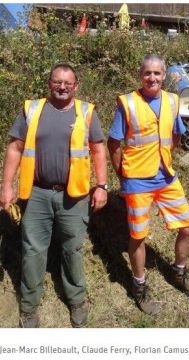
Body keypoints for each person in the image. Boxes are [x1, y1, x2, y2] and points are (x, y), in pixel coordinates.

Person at [0, 64, 108, 328]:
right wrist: (6, 185)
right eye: (57, 82)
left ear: (76, 85)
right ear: (49, 83)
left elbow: (98, 150)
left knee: (73, 248)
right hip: (36, 193)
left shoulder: (86, 112)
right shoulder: (33, 110)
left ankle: (77, 300)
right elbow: (15, 148)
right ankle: (28, 306)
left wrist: (102, 186)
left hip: (74, 196)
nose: (62, 87)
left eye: (68, 83)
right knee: (33, 250)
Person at [107, 54, 189, 315]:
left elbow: (175, 134)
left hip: (166, 176)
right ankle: (139, 285)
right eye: (147, 73)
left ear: (164, 76)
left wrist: (166, 156)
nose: (152, 78)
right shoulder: (127, 103)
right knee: (138, 236)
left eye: (157, 74)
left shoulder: (172, 101)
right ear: (141, 75)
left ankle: (179, 272)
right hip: (137, 180)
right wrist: (122, 176)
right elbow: (114, 143)